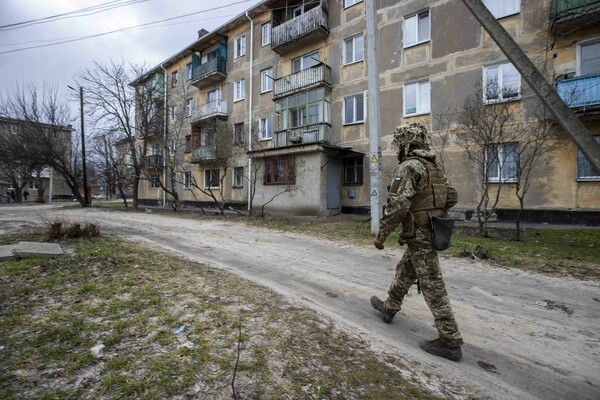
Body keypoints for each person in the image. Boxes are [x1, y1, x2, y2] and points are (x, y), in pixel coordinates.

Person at [370, 122, 463, 361]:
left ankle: (450, 340)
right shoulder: (434, 168)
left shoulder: (409, 166)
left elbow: (397, 206)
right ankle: (389, 308)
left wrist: (382, 235)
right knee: (406, 270)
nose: (397, 147)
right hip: (432, 230)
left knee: (432, 284)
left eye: (399, 143)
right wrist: (431, 210)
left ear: (406, 143)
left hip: (420, 233)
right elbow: (450, 196)